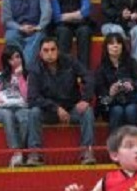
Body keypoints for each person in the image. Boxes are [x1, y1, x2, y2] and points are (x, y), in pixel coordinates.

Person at [28, 37, 96, 165]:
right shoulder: (35, 69)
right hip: (49, 112)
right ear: (40, 53)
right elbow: (32, 98)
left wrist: (86, 99)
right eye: (46, 50)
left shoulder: (70, 61)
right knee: (33, 112)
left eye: (53, 50)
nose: (49, 54)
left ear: (58, 51)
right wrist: (56, 108)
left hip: (71, 108)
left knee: (87, 110)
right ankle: (35, 153)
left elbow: (89, 77)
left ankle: (87, 151)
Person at [0, 46, 41, 167]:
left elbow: (27, 97)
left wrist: (20, 77)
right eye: (11, 59)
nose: (15, 61)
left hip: (21, 106)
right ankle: (16, 152)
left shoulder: (28, 75)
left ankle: (19, 152)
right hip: (2, 108)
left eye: (17, 57)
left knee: (25, 117)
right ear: (7, 61)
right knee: (8, 115)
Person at [93, 33, 137, 132]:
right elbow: (99, 94)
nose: (115, 46)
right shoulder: (101, 68)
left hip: (132, 99)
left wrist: (132, 85)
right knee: (117, 110)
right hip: (111, 104)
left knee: (131, 110)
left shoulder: (132, 63)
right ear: (106, 47)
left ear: (122, 46)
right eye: (111, 43)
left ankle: (135, 141)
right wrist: (110, 93)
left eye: (118, 43)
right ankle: (115, 144)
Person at [0, 0, 51, 65]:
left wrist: (39, 26)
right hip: (17, 29)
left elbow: (47, 11)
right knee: (10, 36)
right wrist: (20, 27)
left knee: (39, 37)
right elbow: (6, 20)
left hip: (36, 29)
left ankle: (23, 69)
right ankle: (18, 68)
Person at [50, 0, 93, 69]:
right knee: (64, 32)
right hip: (63, 26)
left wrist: (64, 16)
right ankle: (64, 70)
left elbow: (85, 12)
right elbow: (56, 17)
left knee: (85, 31)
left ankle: (83, 71)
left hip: (81, 24)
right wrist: (77, 14)